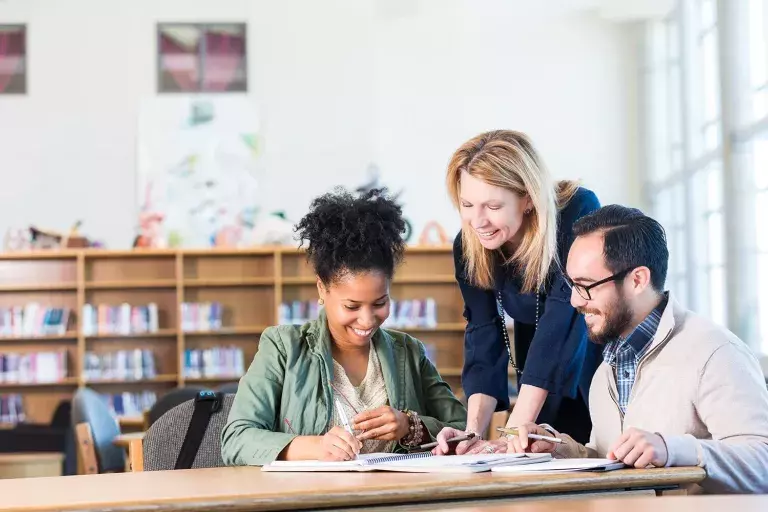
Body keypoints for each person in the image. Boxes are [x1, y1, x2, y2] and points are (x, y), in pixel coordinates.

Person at [509, 205, 768, 494]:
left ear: (637, 280)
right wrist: (564, 450)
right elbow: (617, 465)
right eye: (571, 285)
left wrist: (672, 449)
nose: (574, 301)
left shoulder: (716, 353)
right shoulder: (606, 367)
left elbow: (763, 461)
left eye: (585, 286)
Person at [221, 188, 466, 466]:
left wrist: (411, 427)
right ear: (322, 289)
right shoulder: (283, 348)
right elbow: (237, 439)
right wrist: (313, 447)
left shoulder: (408, 352)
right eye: (352, 306)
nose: (367, 320)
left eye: (380, 303)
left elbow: (463, 429)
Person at [435, 130, 603, 456]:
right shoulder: (469, 245)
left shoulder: (577, 211)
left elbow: (562, 319)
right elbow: (483, 335)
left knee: (589, 454)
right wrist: (472, 432)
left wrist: (514, 430)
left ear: (528, 198)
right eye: (467, 204)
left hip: (594, 351)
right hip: (537, 361)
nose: (477, 220)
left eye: (493, 205)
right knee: (534, 454)